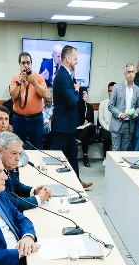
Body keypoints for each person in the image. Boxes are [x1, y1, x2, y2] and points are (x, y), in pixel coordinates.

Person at [50, 45, 86, 182]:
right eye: (75, 58)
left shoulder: (66, 74)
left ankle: (77, 181)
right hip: (62, 126)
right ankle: (52, 181)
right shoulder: (63, 76)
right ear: (68, 58)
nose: (77, 61)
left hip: (68, 126)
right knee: (57, 157)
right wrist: (77, 90)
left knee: (73, 153)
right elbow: (72, 101)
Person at [0, 132, 52, 212]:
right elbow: (12, 204)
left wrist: (35, 191)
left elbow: (18, 187)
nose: (18, 158)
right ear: (0, 151)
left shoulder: (6, 165)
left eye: (19, 154)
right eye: (14, 153)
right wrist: (39, 198)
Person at [10, 52, 49, 150]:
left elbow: (44, 94)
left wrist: (33, 81)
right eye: (23, 63)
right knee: (17, 147)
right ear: (20, 64)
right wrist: (19, 82)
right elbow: (13, 96)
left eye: (28, 63)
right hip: (19, 120)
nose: (26, 65)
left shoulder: (39, 78)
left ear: (31, 64)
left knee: (37, 147)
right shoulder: (15, 79)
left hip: (36, 120)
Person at [108, 64, 139, 152]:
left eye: (132, 72)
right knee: (115, 151)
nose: (131, 74)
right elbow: (110, 106)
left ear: (135, 73)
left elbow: (138, 106)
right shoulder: (117, 87)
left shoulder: (138, 90)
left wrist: (136, 113)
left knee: (124, 152)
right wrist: (120, 114)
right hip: (117, 124)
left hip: (129, 125)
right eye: (129, 72)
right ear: (125, 74)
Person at [77, 88, 96, 168]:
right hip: (78, 128)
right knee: (85, 135)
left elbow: (92, 121)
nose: (86, 95)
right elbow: (76, 120)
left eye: (87, 94)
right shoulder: (77, 106)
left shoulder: (90, 107)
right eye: (84, 94)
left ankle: (77, 142)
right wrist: (82, 122)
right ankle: (85, 157)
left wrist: (88, 122)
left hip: (88, 128)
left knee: (87, 128)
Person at [98, 81, 115, 154]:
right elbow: (101, 119)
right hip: (105, 128)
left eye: (114, 91)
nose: (112, 92)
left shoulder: (120, 104)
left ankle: (116, 157)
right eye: (110, 91)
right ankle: (106, 157)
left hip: (116, 128)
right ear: (108, 92)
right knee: (107, 136)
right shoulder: (103, 103)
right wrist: (108, 128)